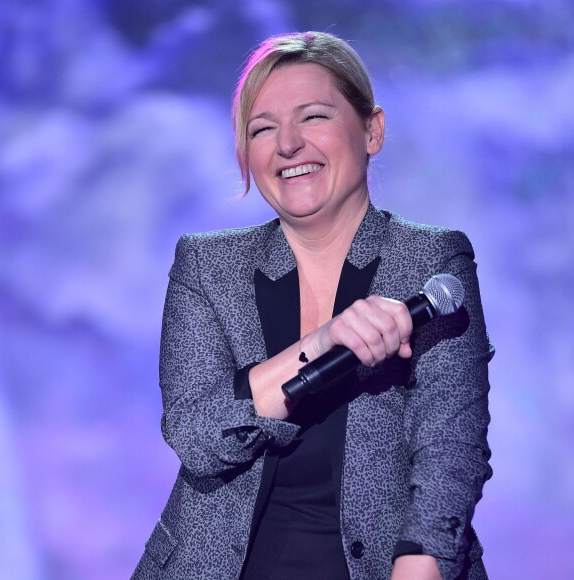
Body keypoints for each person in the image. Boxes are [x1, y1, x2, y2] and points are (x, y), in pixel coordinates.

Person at [132, 31, 493, 580]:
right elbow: (197, 437)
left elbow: (449, 453)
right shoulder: (206, 267)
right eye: (263, 128)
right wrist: (322, 343)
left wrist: (419, 566)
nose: (288, 145)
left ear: (372, 130)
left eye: (314, 117)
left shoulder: (431, 260)